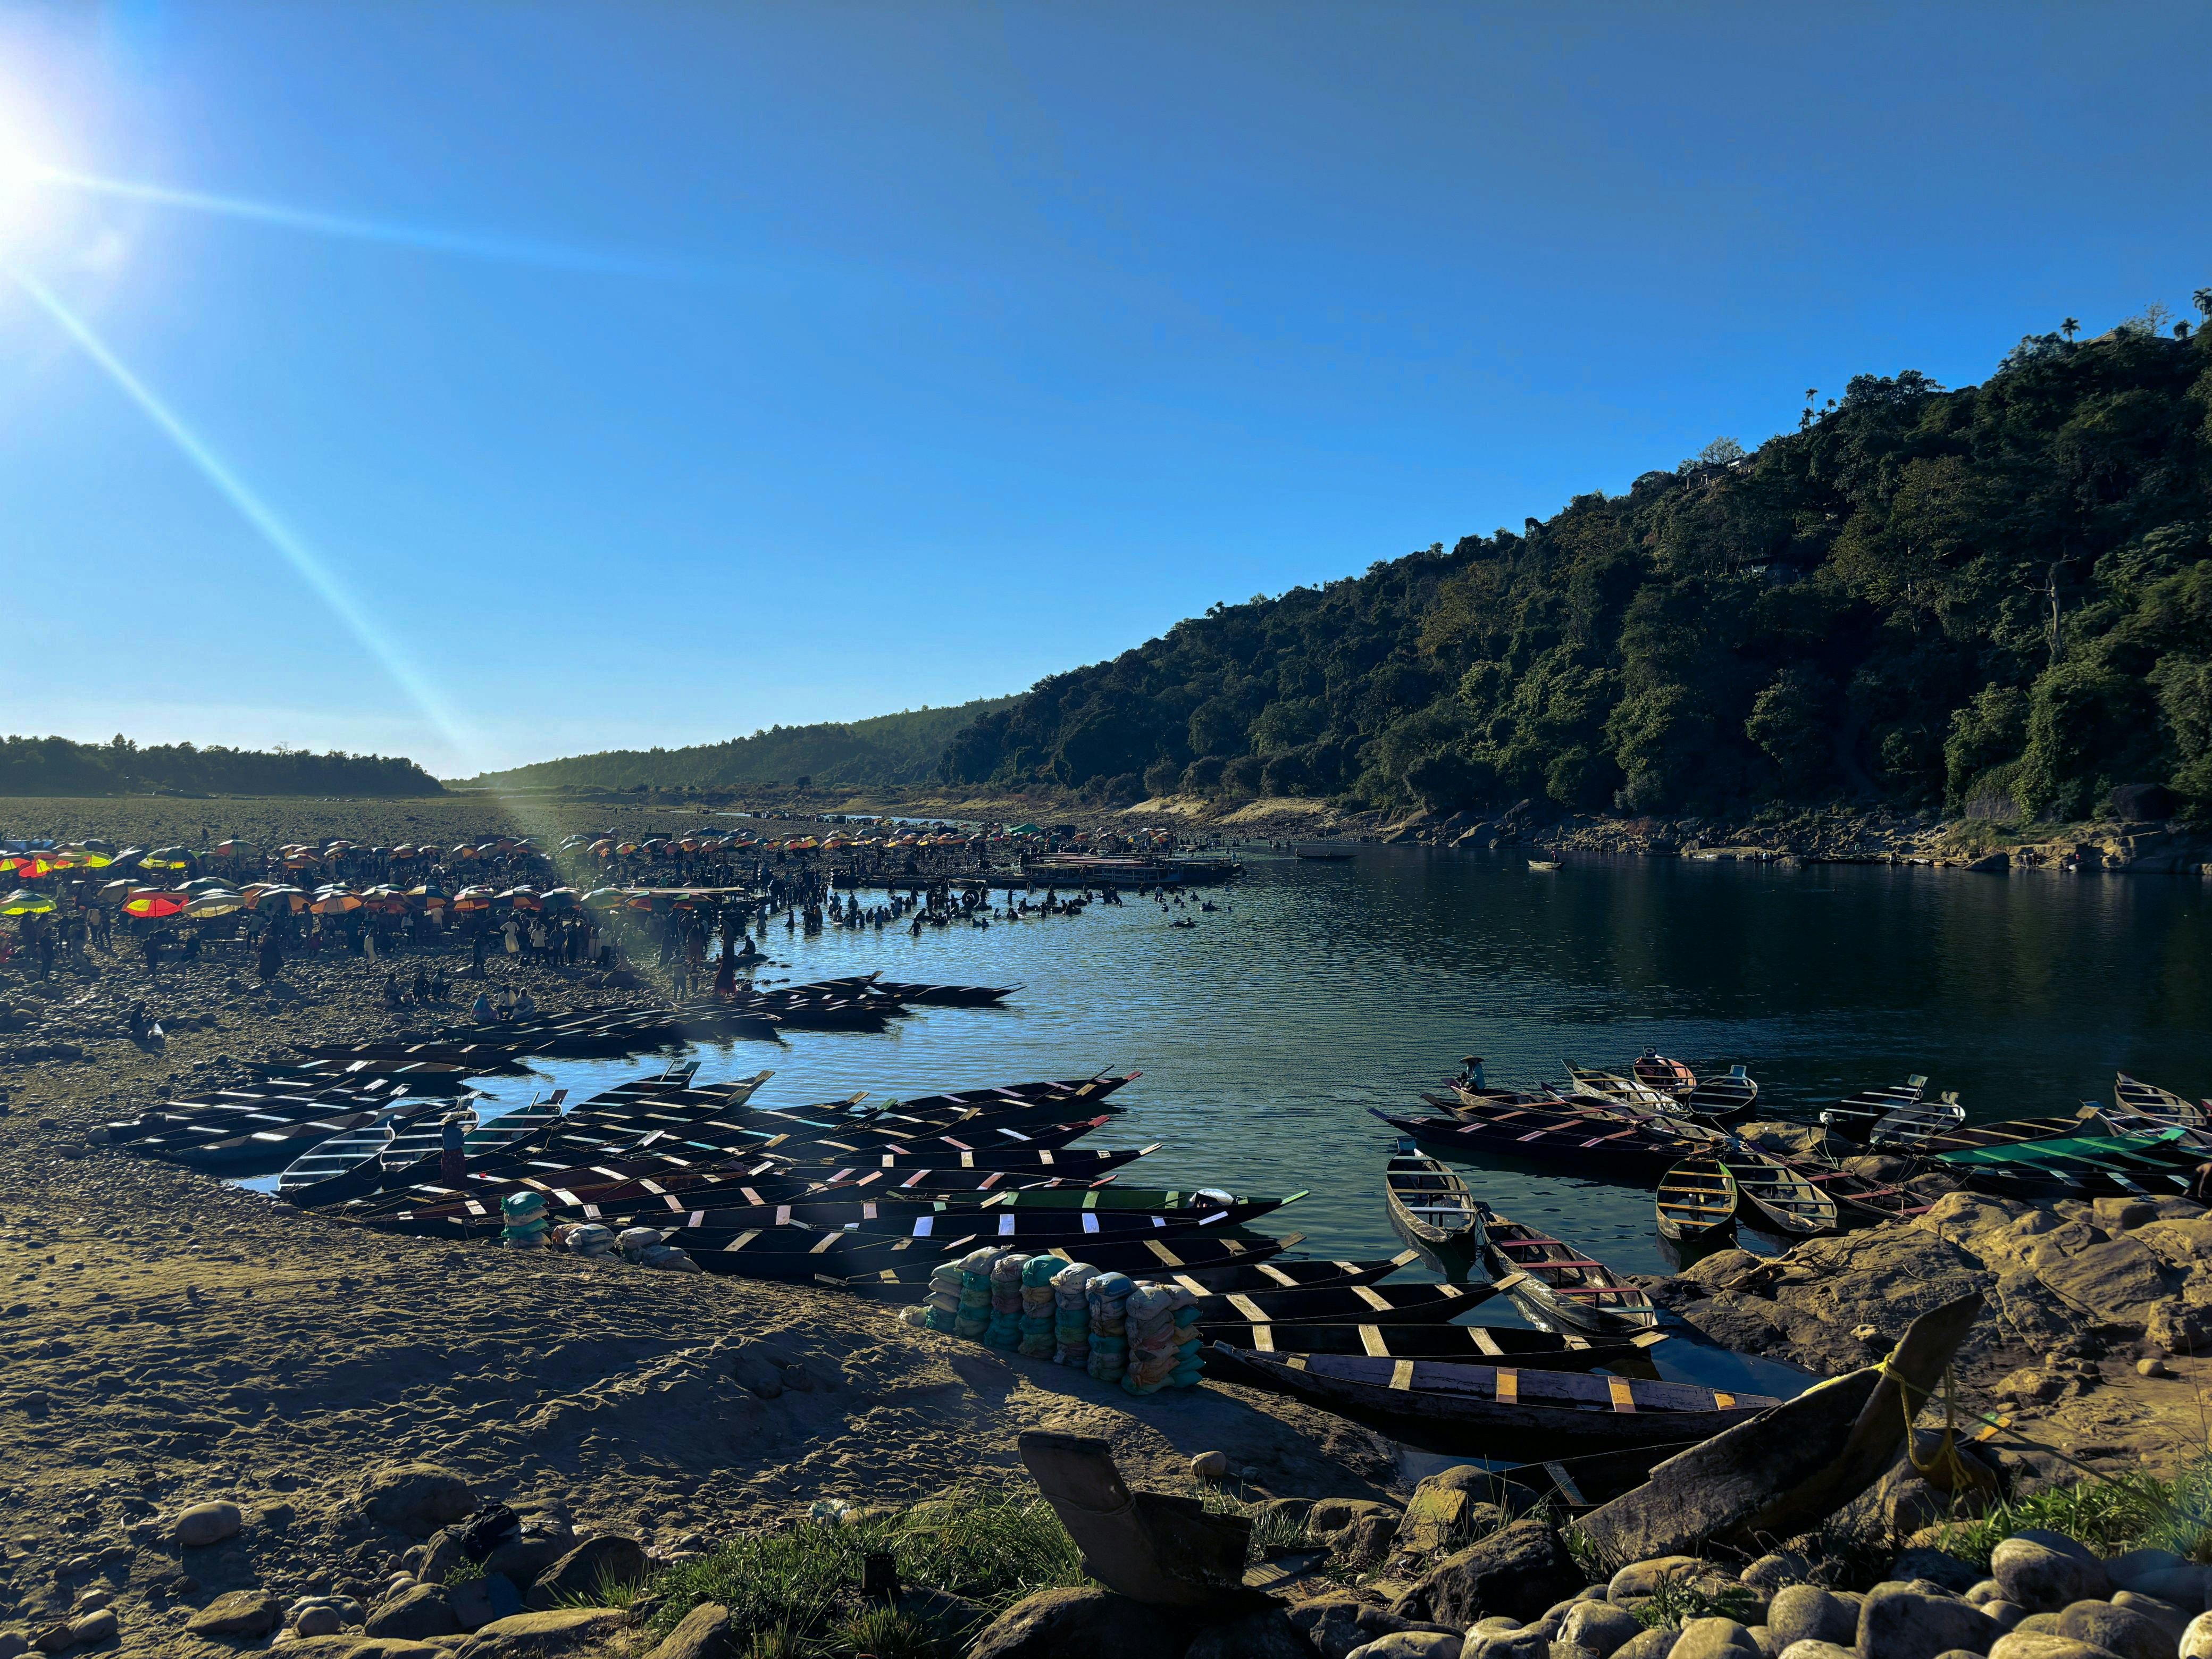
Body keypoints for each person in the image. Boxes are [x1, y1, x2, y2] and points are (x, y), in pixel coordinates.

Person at [440, 1111, 469, 1185]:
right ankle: (460, 1183)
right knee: (459, 1169)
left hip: (447, 1153)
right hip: (457, 1152)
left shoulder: (444, 1130)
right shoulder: (458, 1131)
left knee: (448, 1170)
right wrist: (461, 1135)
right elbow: (462, 1143)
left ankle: (448, 1183)